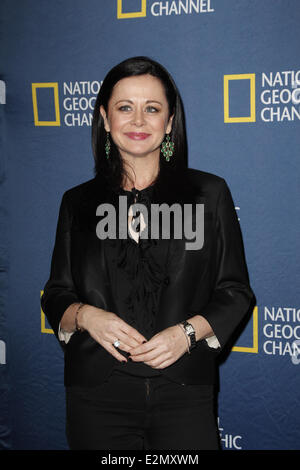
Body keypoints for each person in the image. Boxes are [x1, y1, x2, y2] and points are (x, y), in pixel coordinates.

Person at [40, 56, 255, 451]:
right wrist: (88, 316)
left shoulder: (209, 195)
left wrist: (186, 334)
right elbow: (57, 294)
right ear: (105, 119)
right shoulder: (78, 203)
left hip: (184, 393)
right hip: (97, 397)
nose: (138, 121)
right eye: (125, 108)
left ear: (169, 122)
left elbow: (235, 291)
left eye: (152, 109)